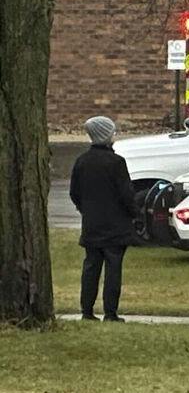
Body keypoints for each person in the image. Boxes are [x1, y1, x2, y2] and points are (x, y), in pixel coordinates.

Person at [69, 115, 138, 321]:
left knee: (91, 266)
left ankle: (87, 311)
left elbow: (75, 192)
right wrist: (135, 213)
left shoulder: (82, 161)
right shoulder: (116, 163)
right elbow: (126, 194)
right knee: (113, 268)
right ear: (107, 135)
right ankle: (110, 312)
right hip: (115, 224)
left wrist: (86, 210)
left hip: (92, 223)